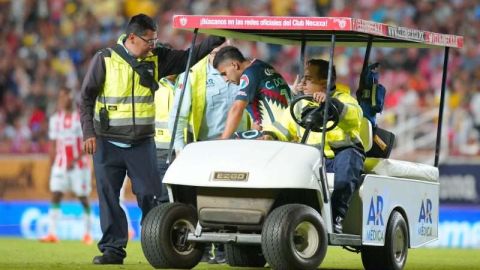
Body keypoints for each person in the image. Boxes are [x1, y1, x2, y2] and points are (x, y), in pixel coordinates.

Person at [79, 13, 225, 265]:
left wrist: (215, 38)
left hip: (141, 143)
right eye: (149, 40)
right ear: (132, 38)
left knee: (150, 194)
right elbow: (86, 98)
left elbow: (188, 57)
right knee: (108, 196)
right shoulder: (105, 59)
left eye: (155, 40)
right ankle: (113, 250)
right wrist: (88, 132)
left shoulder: (158, 58)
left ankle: (158, 243)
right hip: (106, 142)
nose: (153, 45)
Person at [169, 44, 249, 264]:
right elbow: (178, 114)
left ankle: (226, 249)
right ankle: (202, 248)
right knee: (204, 201)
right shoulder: (193, 75)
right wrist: (179, 148)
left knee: (233, 200)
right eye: (216, 50)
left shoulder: (244, 73)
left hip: (241, 148)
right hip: (208, 148)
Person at [293, 59, 365, 233]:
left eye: (308, 79)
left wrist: (330, 103)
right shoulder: (301, 102)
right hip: (314, 156)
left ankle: (336, 218)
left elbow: (355, 116)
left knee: (346, 168)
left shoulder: (345, 99)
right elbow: (284, 125)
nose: (303, 83)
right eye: (303, 78)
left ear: (324, 83)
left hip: (343, 152)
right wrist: (270, 135)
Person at [40, 86, 92, 245]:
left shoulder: (80, 118)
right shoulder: (55, 119)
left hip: (79, 166)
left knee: (83, 197)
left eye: (65, 96)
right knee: (56, 194)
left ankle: (87, 234)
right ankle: (52, 233)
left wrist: (75, 160)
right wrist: (50, 168)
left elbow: (88, 142)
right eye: (60, 97)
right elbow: (53, 145)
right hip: (60, 165)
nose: (62, 100)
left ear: (71, 97)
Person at [212, 46, 292, 140]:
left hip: (277, 133)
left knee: (230, 139)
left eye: (224, 73)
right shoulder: (261, 66)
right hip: (287, 130)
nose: (226, 79)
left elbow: (237, 108)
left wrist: (223, 139)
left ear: (234, 65)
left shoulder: (250, 74)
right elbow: (258, 122)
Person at [154, 72, 178, 203]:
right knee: (162, 197)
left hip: (185, 148)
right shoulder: (153, 84)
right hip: (160, 149)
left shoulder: (188, 81)